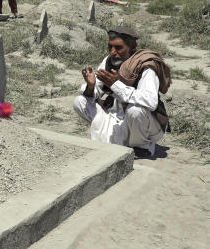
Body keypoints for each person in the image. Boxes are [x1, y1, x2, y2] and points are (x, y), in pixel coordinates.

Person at [73, 25, 171, 157]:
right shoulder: (109, 62)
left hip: (145, 123)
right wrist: (91, 86)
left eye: (118, 48)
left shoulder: (145, 66)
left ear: (132, 46)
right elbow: (97, 90)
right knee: (80, 101)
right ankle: (119, 140)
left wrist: (116, 86)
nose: (113, 52)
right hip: (115, 116)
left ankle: (141, 146)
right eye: (110, 47)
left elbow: (150, 101)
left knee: (135, 110)